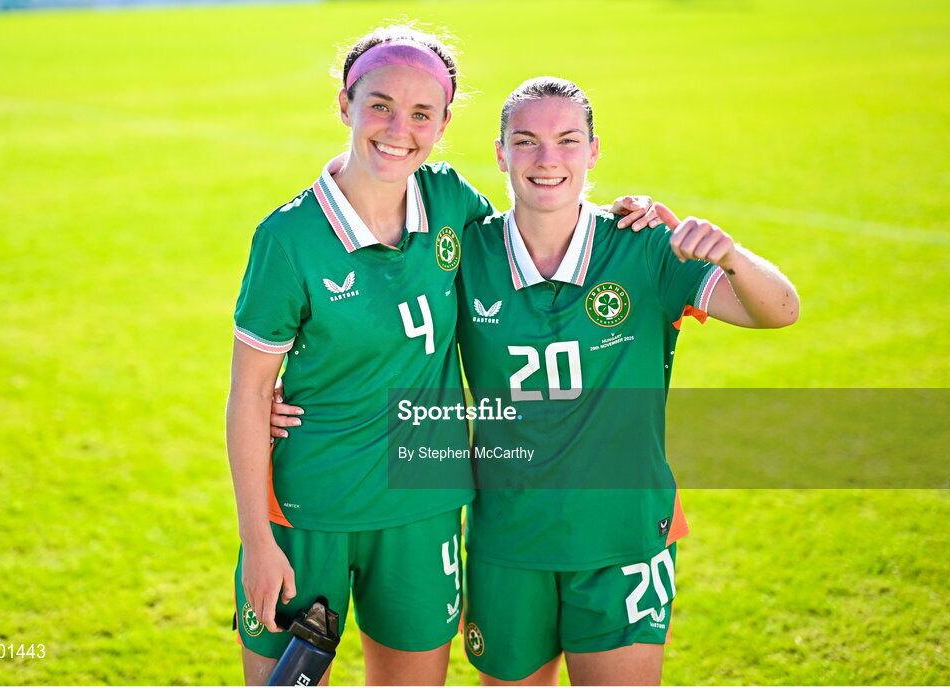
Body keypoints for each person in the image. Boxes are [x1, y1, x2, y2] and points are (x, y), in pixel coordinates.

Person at [227, 28, 659, 686]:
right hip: (309, 508)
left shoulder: (453, 201)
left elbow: (538, 230)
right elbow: (249, 394)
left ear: (445, 122)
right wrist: (258, 542)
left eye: (422, 112)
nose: (399, 128)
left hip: (424, 507)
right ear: (345, 103)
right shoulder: (287, 238)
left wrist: (624, 216)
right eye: (379, 104)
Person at [453, 77, 798, 686]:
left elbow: (780, 310)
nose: (547, 159)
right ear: (501, 153)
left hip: (624, 537)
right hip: (508, 537)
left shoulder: (645, 248)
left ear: (593, 150)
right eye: (526, 141)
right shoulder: (468, 250)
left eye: (567, 140)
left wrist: (731, 255)